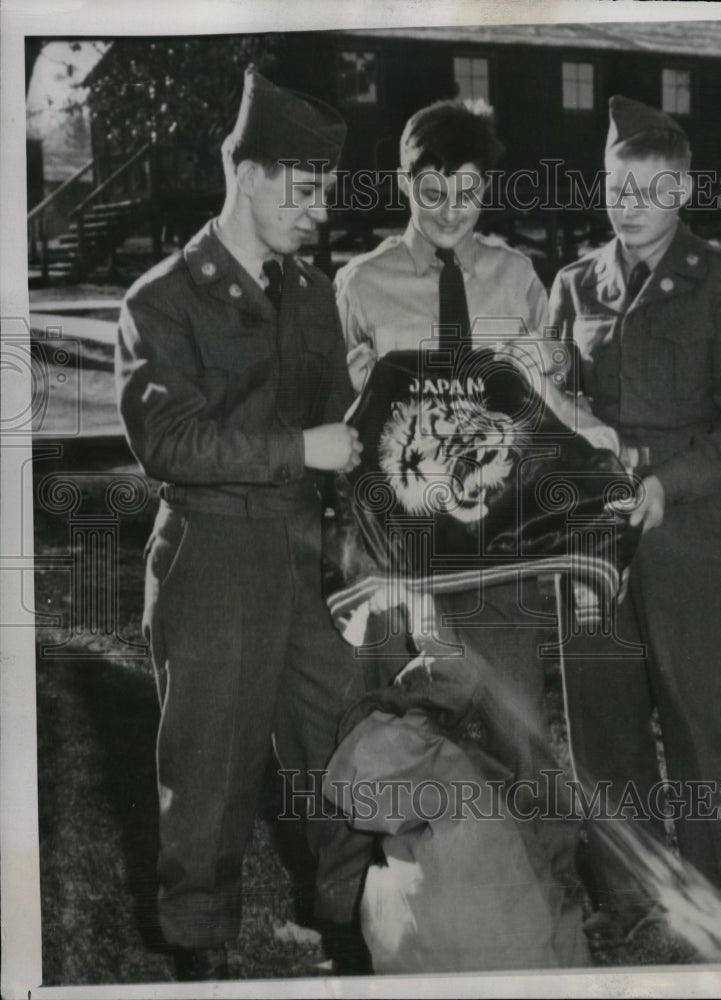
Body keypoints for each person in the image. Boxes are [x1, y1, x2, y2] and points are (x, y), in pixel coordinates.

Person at [116, 67, 374, 980]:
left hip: (311, 556)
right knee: (211, 765)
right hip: (215, 553)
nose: (319, 211)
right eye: (304, 191)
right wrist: (301, 448)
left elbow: (345, 421)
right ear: (248, 173)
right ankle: (197, 942)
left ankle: (345, 914)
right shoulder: (161, 299)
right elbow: (170, 440)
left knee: (337, 743)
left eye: (326, 194)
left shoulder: (311, 292)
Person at [334, 99, 591, 967]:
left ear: (489, 188)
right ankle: (413, 917)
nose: (449, 207)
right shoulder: (359, 283)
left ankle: (548, 906)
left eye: (468, 190)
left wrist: (587, 428)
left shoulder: (518, 275)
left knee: (520, 728)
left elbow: (547, 405)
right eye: (432, 187)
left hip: (500, 548)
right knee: (410, 723)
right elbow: (351, 427)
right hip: (406, 555)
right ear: (406, 181)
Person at [548, 95, 721, 945]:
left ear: (682, 193)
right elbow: (549, 402)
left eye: (650, 188)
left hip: (683, 533)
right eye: (617, 185)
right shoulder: (573, 285)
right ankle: (627, 903)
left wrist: (671, 482)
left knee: (701, 721)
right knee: (603, 729)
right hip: (590, 538)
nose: (630, 203)